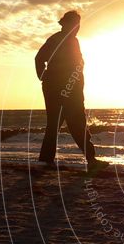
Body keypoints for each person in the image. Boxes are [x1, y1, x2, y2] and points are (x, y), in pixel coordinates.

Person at [35, 11, 108, 171]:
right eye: (75, 24)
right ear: (66, 24)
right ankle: (89, 159)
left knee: (66, 124)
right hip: (59, 89)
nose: (78, 27)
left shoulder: (73, 41)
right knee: (71, 123)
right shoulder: (56, 39)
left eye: (79, 24)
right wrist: (44, 76)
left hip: (70, 89)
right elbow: (39, 58)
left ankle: (47, 160)